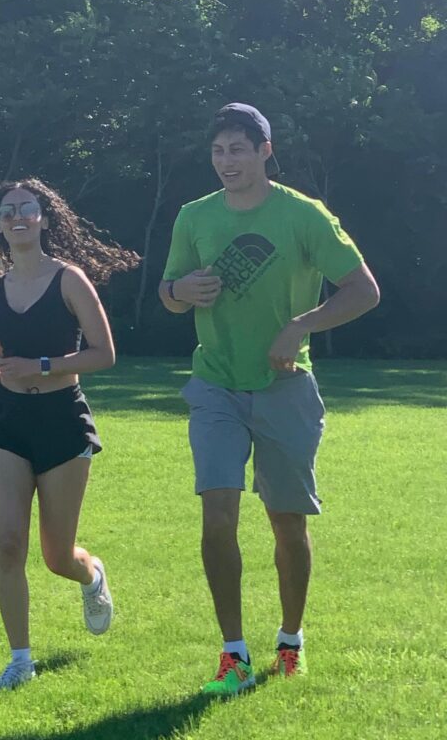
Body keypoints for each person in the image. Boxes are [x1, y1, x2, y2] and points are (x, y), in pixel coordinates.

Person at [159, 103, 380, 696]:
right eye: (218, 151)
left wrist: (301, 325)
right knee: (217, 515)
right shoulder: (194, 216)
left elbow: (364, 290)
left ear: (265, 151)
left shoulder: (304, 216)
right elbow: (168, 293)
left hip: (285, 388)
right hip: (214, 385)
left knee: (287, 524)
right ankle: (233, 653)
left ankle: (290, 640)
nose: (226, 161)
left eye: (238, 149)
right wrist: (181, 289)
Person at [0, 178, 140, 690]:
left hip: (62, 420)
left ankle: (92, 575)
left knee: (56, 556)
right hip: (7, 423)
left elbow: (103, 355)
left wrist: (41, 365)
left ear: (44, 218)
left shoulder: (69, 279)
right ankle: (20, 660)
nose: (17, 217)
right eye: (8, 211)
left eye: (27, 209)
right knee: (10, 541)